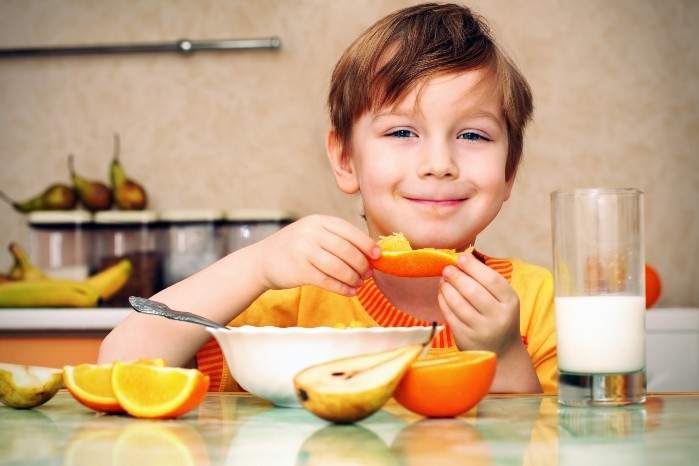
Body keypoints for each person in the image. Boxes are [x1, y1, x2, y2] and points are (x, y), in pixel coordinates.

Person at [99, 2, 557, 394]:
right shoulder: (294, 299)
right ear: (345, 160)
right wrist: (255, 266)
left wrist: (500, 352)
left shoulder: (538, 300)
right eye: (402, 131)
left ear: (509, 171)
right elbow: (121, 365)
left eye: (473, 134)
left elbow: (560, 442)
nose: (439, 163)